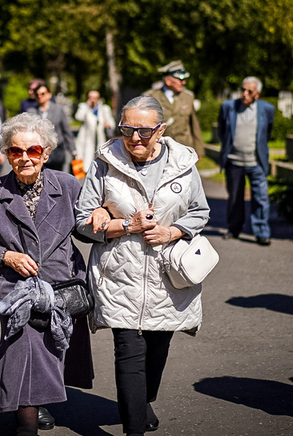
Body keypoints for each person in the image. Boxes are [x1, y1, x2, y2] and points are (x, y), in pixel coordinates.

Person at [75, 96, 210, 436]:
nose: (135, 138)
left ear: (161, 130)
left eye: (144, 131)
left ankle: (143, 400)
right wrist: (122, 225)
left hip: (168, 274)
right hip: (119, 273)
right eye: (127, 129)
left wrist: (172, 230)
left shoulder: (182, 162)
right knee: (129, 350)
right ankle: (133, 428)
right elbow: (82, 220)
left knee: (157, 347)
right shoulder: (105, 161)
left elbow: (199, 210)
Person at [0, 112, 92, 436]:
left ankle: (35, 404)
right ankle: (27, 425)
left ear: (46, 153)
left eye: (33, 151)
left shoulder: (67, 185)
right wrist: (6, 256)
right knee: (23, 350)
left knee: (50, 353)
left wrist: (108, 219)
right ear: (7, 153)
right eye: (15, 151)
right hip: (15, 291)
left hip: (59, 287)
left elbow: (86, 228)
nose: (24, 158)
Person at [217, 76, 275, 245]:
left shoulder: (267, 109)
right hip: (234, 161)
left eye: (249, 91)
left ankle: (262, 232)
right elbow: (222, 131)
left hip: (256, 162)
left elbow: (267, 132)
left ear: (257, 94)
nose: (244, 94)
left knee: (261, 198)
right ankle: (234, 229)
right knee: (235, 197)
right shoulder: (228, 106)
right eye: (243, 89)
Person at [144, 60, 205, 157]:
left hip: (184, 149)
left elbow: (194, 124)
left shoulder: (188, 96)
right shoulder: (151, 97)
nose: (183, 82)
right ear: (168, 80)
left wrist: (199, 150)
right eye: (180, 79)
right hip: (159, 151)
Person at [27, 83, 76, 171]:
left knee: (57, 177)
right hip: (39, 152)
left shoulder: (58, 110)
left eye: (42, 94)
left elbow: (66, 131)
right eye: (37, 95)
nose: (40, 96)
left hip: (57, 151)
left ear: (49, 94)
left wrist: (73, 149)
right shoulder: (32, 111)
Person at [74, 90, 115, 167]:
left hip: (100, 138)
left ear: (98, 98)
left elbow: (112, 123)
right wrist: (87, 106)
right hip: (87, 139)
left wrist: (108, 124)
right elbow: (78, 117)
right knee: (87, 160)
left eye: (95, 98)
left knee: (100, 161)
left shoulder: (104, 109)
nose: (93, 100)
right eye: (91, 97)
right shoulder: (83, 107)